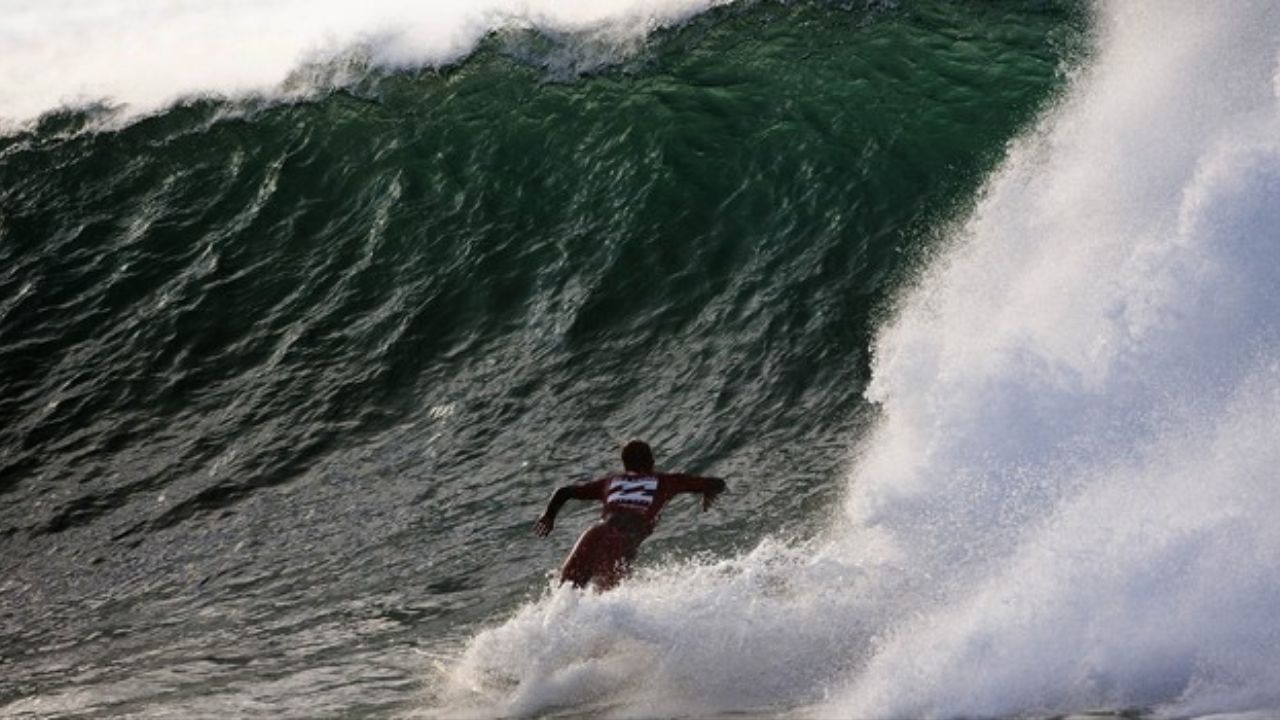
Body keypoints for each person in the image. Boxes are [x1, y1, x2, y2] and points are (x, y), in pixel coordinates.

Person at [534, 440, 726, 591]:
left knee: (564, 598)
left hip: (593, 534)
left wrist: (548, 516)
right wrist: (709, 492)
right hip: (619, 543)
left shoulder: (611, 481)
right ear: (652, 462)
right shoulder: (667, 481)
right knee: (609, 613)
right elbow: (717, 483)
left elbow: (564, 491)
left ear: (625, 465)